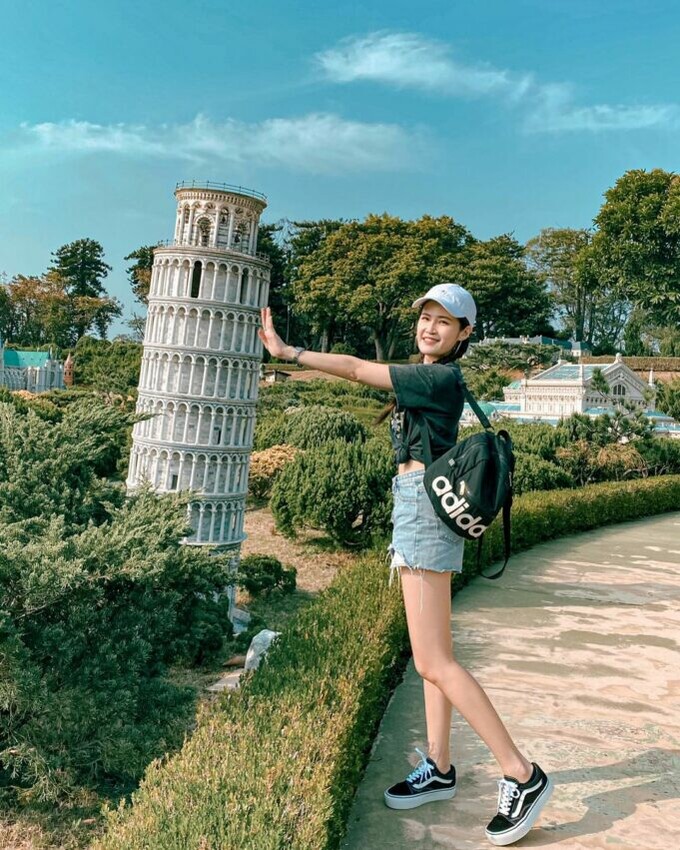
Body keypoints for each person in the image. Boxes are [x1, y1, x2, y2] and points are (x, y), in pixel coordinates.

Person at [257, 283, 553, 847]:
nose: (430, 327)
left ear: (464, 333)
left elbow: (354, 368)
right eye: (426, 317)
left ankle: (522, 774)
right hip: (416, 504)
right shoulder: (427, 376)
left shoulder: (437, 379)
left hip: (423, 509)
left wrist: (290, 352)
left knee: (434, 661)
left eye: (445, 321)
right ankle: (439, 767)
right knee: (434, 659)